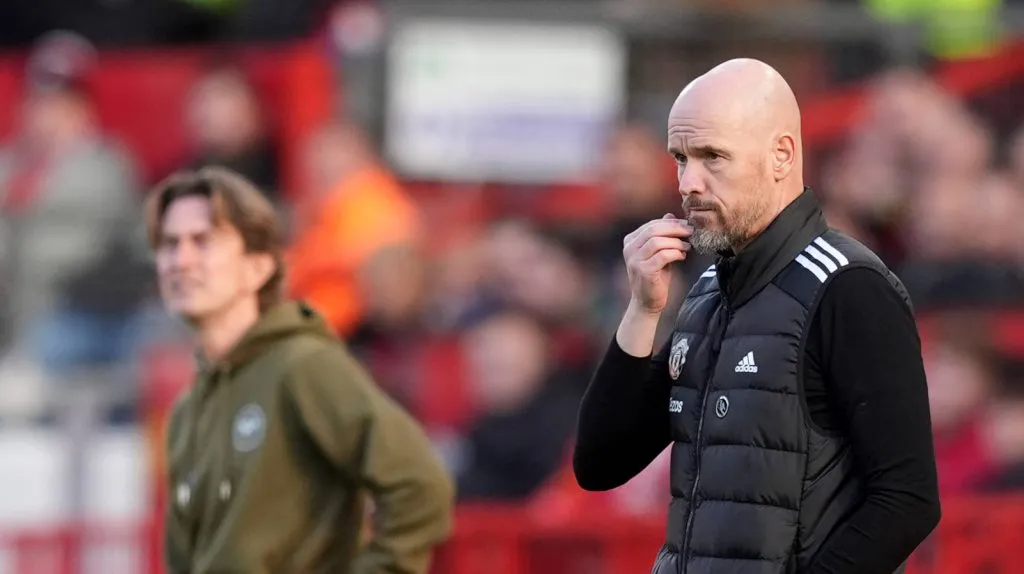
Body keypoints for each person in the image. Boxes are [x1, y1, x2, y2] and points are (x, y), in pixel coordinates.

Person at [573, 59, 940, 574]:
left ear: (781, 155)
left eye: (712, 157)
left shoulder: (849, 287)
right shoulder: (707, 291)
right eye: (680, 158)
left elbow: (907, 499)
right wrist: (643, 309)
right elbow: (599, 464)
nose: (688, 182)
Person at [146, 167, 454, 574]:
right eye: (169, 244)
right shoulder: (187, 411)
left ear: (259, 267)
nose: (180, 261)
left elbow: (420, 486)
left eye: (204, 241)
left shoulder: (304, 365)